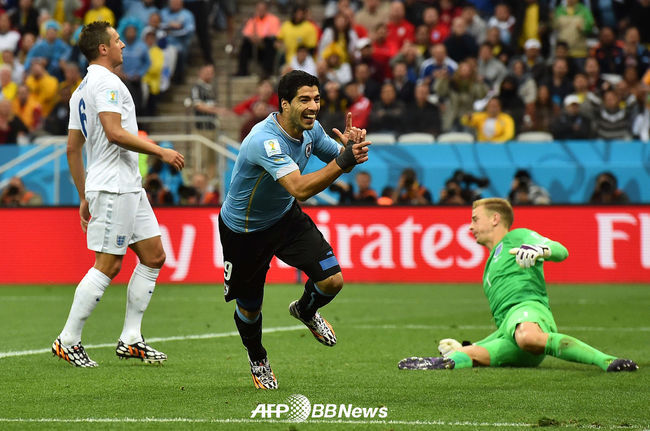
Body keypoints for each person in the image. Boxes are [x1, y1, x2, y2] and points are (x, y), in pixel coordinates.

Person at [218, 70, 370, 389]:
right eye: (304, 100)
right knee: (250, 308)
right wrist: (344, 161)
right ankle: (258, 359)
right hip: (244, 232)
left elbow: (339, 159)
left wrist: (350, 150)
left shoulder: (311, 130)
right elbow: (300, 188)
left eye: (316, 99)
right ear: (285, 104)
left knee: (332, 280)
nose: (313, 106)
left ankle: (305, 309)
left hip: (285, 218)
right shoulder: (265, 140)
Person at [52, 21, 185, 368]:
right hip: (113, 185)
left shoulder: (81, 89)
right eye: (116, 40)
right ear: (103, 49)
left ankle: (130, 338)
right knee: (108, 264)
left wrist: (83, 196)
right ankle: (68, 339)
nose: (123, 44)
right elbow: (114, 133)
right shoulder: (107, 83)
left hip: (125, 185)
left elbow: (72, 148)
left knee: (154, 255)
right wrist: (160, 151)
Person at [398, 198, 638, 373]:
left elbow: (561, 251)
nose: (470, 227)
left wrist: (540, 250)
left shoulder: (518, 237)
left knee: (527, 336)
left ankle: (607, 361)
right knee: (467, 354)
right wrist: (466, 346)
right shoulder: (489, 267)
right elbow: (506, 326)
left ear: (495, 219)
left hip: (529, 312)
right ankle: (436, 364)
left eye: (475, 219)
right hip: (510, 334)